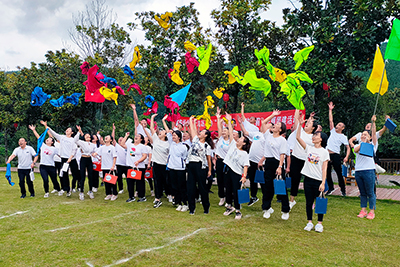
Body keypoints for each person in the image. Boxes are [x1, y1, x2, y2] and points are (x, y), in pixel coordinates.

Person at [296, 113, 329, 233]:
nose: (314, 137)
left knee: (319, 202)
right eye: (314, 135)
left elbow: (324, 168)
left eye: (316, 135)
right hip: (308, 179)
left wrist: (323, 182)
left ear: (321, 139)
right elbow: (298, 138)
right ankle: (309, 222)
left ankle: (319, 223)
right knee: (308, 201)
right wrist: (300, 125)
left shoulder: (324, 152)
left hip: (318, 180)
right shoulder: (309, 148)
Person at [239, 103, 276, 207]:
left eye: (268, 125)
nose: (265, 125)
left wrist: (261, 161)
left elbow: (269, 152)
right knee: (252, 181)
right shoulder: (257, 134)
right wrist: (241, 123)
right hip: (252, 161)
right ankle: (254, 196)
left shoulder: (268, 137)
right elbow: (246, 133)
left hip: (261, 163)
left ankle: (266, 200)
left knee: (263, 182)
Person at [258, 110, 290, 220]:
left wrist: (280, 167)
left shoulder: (282, 140)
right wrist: (273, 115)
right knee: (268, 188)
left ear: (280, 130)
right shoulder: (268, 135)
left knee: (281, 188)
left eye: (277, 125)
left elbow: (282, 154)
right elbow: (263, 123)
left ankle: (285, 210)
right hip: (268, 163)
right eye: (275, 124)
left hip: (278, 163)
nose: (274, 125)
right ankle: (266, 208)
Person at [223, 113, 251, 220]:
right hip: (228, 170)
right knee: (228, 189)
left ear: (244, 144)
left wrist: (244, 176)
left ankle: (238, 210)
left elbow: (245, 166)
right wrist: (229, 121)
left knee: (236, 191)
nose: (238, 139)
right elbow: (230, 132)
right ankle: (229, 207)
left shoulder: (244, 154)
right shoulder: (232, 145)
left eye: (241, 139)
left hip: (236, 173)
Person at [288, 111, 318, 209]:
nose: (306, 124)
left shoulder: (313, 138)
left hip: (307, 161)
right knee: (295, 180)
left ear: (313, 128)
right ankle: (292, 200)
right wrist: (298, 103)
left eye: (309, 124)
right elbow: (296, 118)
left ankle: (312, 200)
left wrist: (310, 118)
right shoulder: (299, 130)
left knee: (310, 181)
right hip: (296, 158)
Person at [41, 121, 80, 197]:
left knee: (76, 174)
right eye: (67, 129)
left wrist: (70, 157)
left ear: (71, 132)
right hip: (64, 159)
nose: (67, 130)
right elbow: (53, 133)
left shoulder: (73, 140)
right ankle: (68, 190)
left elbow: (74, 150)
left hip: (72, 158)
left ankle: (78, 186)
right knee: (64, 174)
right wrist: (46, 126)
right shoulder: (62, 137)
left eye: (69, 129)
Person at [186, 116, 214, 215]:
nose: (200, 133)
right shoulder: (195, 141)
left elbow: (208, 159)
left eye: (202, 132)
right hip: (191, 165)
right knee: (190, 187)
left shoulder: (207, 146)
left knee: (202, 188)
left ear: (206, 135)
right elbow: (192, 131)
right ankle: (191, 208)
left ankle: (206, 207)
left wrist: (210, 170)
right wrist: (191, 120)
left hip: (200, 167)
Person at [352, 115, 378, 220]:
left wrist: (373, 123)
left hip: (369, 171)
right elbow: (356, 150)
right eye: (362, 135)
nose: (363, 136)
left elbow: (374, 134)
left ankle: (372, 211)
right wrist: (362, 141)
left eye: (365, 134)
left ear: (370, 136)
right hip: (359, 171)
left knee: (370, 192)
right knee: (362, 192)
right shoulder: (357, 145)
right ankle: (363, 209)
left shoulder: (373, 145)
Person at [144, 114, 170, 208]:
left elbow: (169, 132)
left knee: (166, 181)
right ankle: (157, 198)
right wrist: (152, 118)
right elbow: (151, 129)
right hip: (156, 164)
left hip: (165, 165)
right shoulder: (156, 140)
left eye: (162, 131)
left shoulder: (168, 143)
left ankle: (169, 195)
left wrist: (164, 121)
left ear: (165, 134)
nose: (160, 132)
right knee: (157, 182)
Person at [164, 115, 189, 212]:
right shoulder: (172, 143)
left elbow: (185, 157)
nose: (173, 136)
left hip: (180, 169)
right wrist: (165, 121)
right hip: (171, 168)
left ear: (179, 137)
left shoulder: (183, 146)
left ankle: (185, 203)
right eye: (173, 135)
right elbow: (168, 132)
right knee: (174, 187)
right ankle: (178, 203)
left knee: (182, 186)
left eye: (175, 135)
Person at [326, 102, 350, 196]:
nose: (337, 125)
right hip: (327, 154)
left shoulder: (343, 137)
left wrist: (346, 157)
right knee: (327, 172)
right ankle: (330, 188)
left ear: (342, 128)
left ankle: (343, 190)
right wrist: (330, 110)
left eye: (340, 125)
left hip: (336, 154)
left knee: (339, 173)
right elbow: (331, 121)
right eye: (338, 124)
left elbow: (348, 148)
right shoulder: (332, 131)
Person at [29, 125, 61, 198]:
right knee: (45, 179)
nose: (47, 139)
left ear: (52, 142)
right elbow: (39, 137)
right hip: (43, 166)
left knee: (54, 180)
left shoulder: (54, 149)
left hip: (51, 166)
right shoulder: (43, 145)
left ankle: (58, 190)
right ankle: (46, 192)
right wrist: (33, 130)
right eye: (47, 139)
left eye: (49, 139)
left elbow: (60, 155)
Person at [74, 126, 97, 200]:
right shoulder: (82, 143)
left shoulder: (93, 145)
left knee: (91, 176)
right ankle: (81, 192)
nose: (87, 137)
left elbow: (95, 151)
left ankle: (90, 191)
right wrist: (79, 131)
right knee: (82, 176)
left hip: (89, 159)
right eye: (86, 136)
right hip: (83, 159)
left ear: (90, 138)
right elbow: (75, 140)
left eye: (88, 136)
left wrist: (95, 154)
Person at [214, 107, 230, 207]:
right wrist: (218, 117)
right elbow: (219, 128)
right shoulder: (220, 139)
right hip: (219, 161)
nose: (223, 132)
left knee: (227, 181)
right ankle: (222, 197)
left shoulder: (231, 141)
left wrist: (228, 121)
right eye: (223, 131)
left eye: (225, 131)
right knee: (219, 180)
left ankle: (228, 198)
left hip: (227, 162)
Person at [93, 135, 118, 200]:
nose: (105, 137)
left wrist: (113, 166)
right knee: (106, 181)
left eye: (107, 137)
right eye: (105, 137)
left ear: (111, 140)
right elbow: (97, 153)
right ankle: (109, 194)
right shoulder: (102, 147)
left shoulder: (112, 147)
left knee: (112, 181)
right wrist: (94, 154)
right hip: (104, 167)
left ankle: (115, 194)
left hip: (111, 167)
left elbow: (114, 157)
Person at [111, 123, 128, 194]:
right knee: (119, 177)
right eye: (119, 139)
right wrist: (113, 130)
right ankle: (121, 188)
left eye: (122, 139)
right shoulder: (117, 146)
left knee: (129, 177)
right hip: (119, 164)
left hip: (127, 164)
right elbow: (113, 138)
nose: (120, 140)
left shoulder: (127, 146)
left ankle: (129, 186)